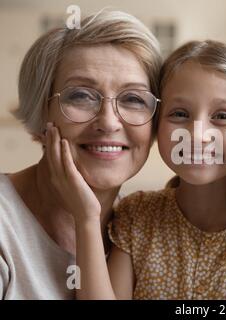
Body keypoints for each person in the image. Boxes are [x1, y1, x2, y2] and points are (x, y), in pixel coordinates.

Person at [49, 40, 226, 299]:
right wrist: (86, 218)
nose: (198, 135)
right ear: (156, 124)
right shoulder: (137, 216)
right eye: (179, 114)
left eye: (222, 117)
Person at [0, 10, 162, 299]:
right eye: (81, 96)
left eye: (133, 99)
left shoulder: (142, 233)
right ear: (41, 113)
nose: (109, 122)